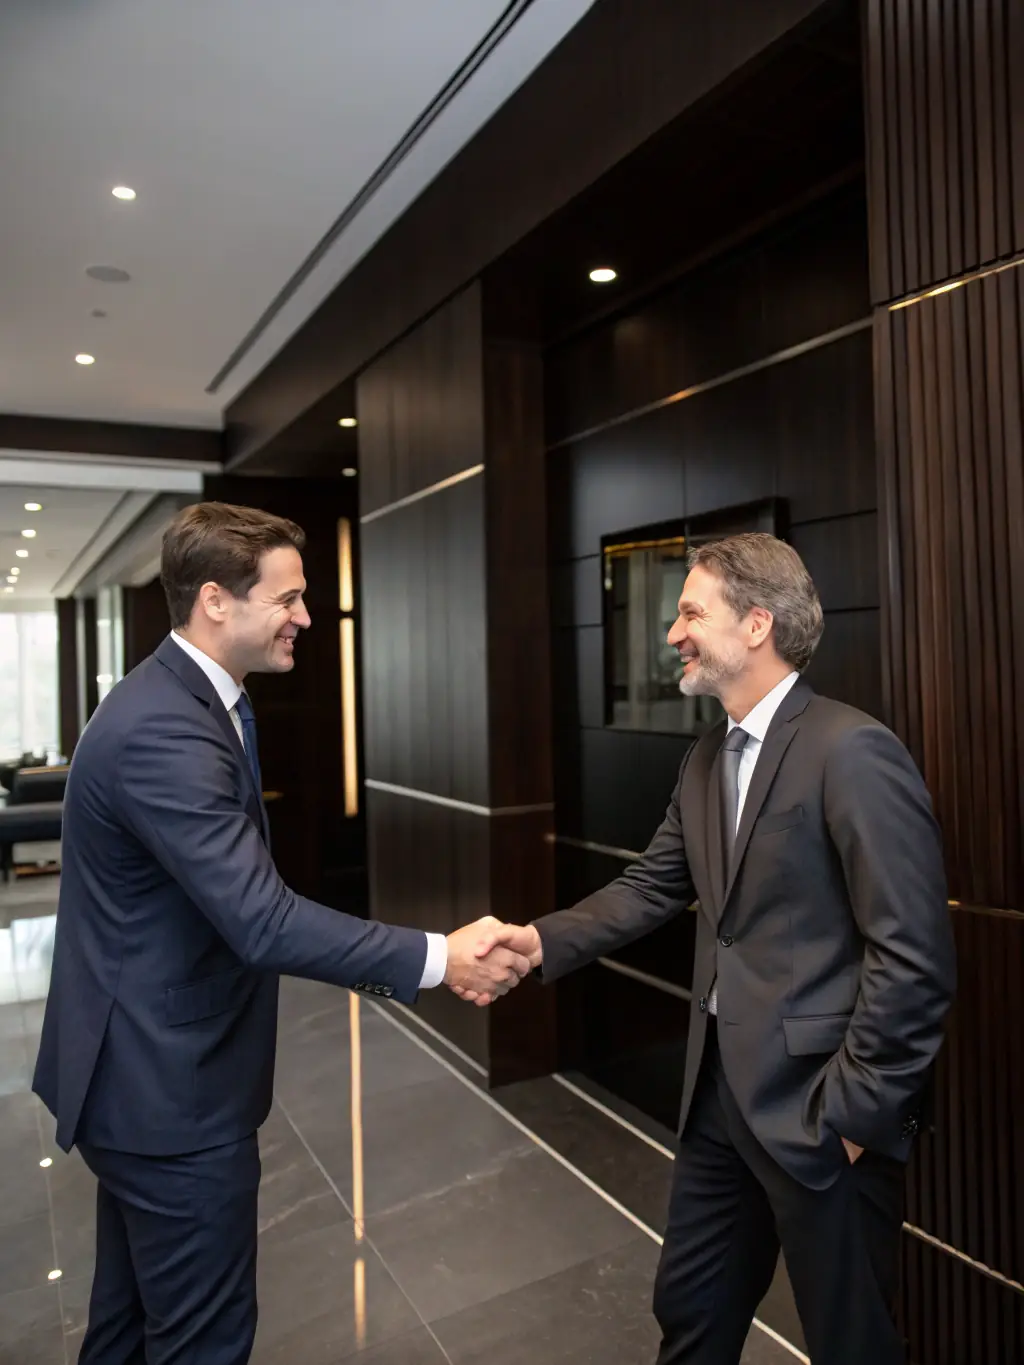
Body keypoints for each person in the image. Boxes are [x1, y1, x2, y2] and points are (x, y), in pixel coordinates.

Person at [33, 501, 527, 1365]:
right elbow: (261, 919)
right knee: (202, 1340)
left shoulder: (191, 699)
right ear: (215, 600)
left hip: (142, 1078)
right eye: (288, 598)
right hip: (167, 1091)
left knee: (127, 1329)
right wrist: (439, 956)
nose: (305, 616)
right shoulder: (164, 728)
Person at [468, 533, 956, 1365]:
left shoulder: (851, 749)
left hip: (819, 1110)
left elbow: (913, 954)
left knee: (851, 1341)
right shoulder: (705, 757)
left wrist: (852, 1115)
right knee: (691, 1314)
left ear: (757, 623)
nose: (673, 633)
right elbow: (651, 886)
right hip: (718, 1102)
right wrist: (538, 940)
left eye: (691, 612)